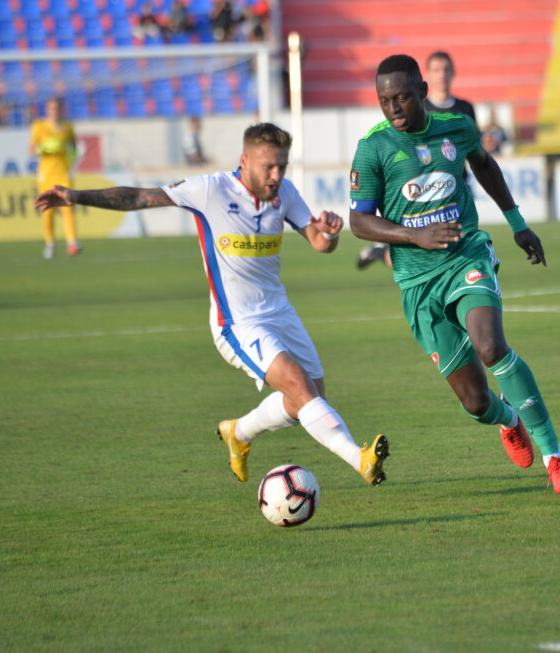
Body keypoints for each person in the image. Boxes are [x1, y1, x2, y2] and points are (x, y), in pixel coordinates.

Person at [34, 123, 389, 486]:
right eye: (268, 166)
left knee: (309, 399)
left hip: (280, 311)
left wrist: (329, 232)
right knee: (299, 386)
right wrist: (76, 197)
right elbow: (139, 197)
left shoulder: (285, 193)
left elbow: (319, 243)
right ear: (244, 160)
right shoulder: (210, 190)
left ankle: (240, 432)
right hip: (236, 322)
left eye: (281, 166)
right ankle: (359, 459)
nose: (275, 175)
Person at [349, 54, 560, 495]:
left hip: (465, 256)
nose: (394, 108)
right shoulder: (373, 146)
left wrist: (518, 225)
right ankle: (510, 420)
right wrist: (411, 236)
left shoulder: (456, 126)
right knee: (475, 402)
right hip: (417, 283)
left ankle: (556, 456)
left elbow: (484, 166)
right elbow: (359, 222)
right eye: (384, 101)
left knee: (491, 346)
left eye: (401, 97)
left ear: (421, 89)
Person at [357, 50, 477, 271]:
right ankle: (382, 252)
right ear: (428, 77)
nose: (442, 75)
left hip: (456, 186)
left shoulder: (464, 111)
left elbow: (477, 153)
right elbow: (358, 219)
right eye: (436, 70)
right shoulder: (414, 110)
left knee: (458, 242)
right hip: (421, 195)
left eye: (446, 70)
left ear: (453, 73)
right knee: (421, 248)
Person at [30, 97, 81, 258]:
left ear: (62, 109)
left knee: (68, 208)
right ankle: (50, 244)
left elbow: (74, 148)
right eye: (52, 108)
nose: (54, 111)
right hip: (45, 175)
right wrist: (44, 147)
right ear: (47, 110)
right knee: (48, 210)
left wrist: (71, 160)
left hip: (63, 174)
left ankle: (72, 243)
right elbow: (31, 150)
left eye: (57, 108)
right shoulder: (39, 126)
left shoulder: (68, 127)